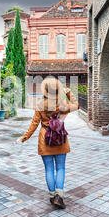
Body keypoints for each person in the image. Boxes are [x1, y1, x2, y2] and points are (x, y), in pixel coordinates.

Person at [16, 77, 79, 209]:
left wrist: (24, 137)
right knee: (60, 167)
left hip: (45, 139)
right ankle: (59, 195)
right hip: (60, 138)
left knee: (49, 169)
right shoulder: (62, 105)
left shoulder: (40, 105)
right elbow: (77, 105)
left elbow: (34, 124)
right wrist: (68, 93)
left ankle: (52, 196)